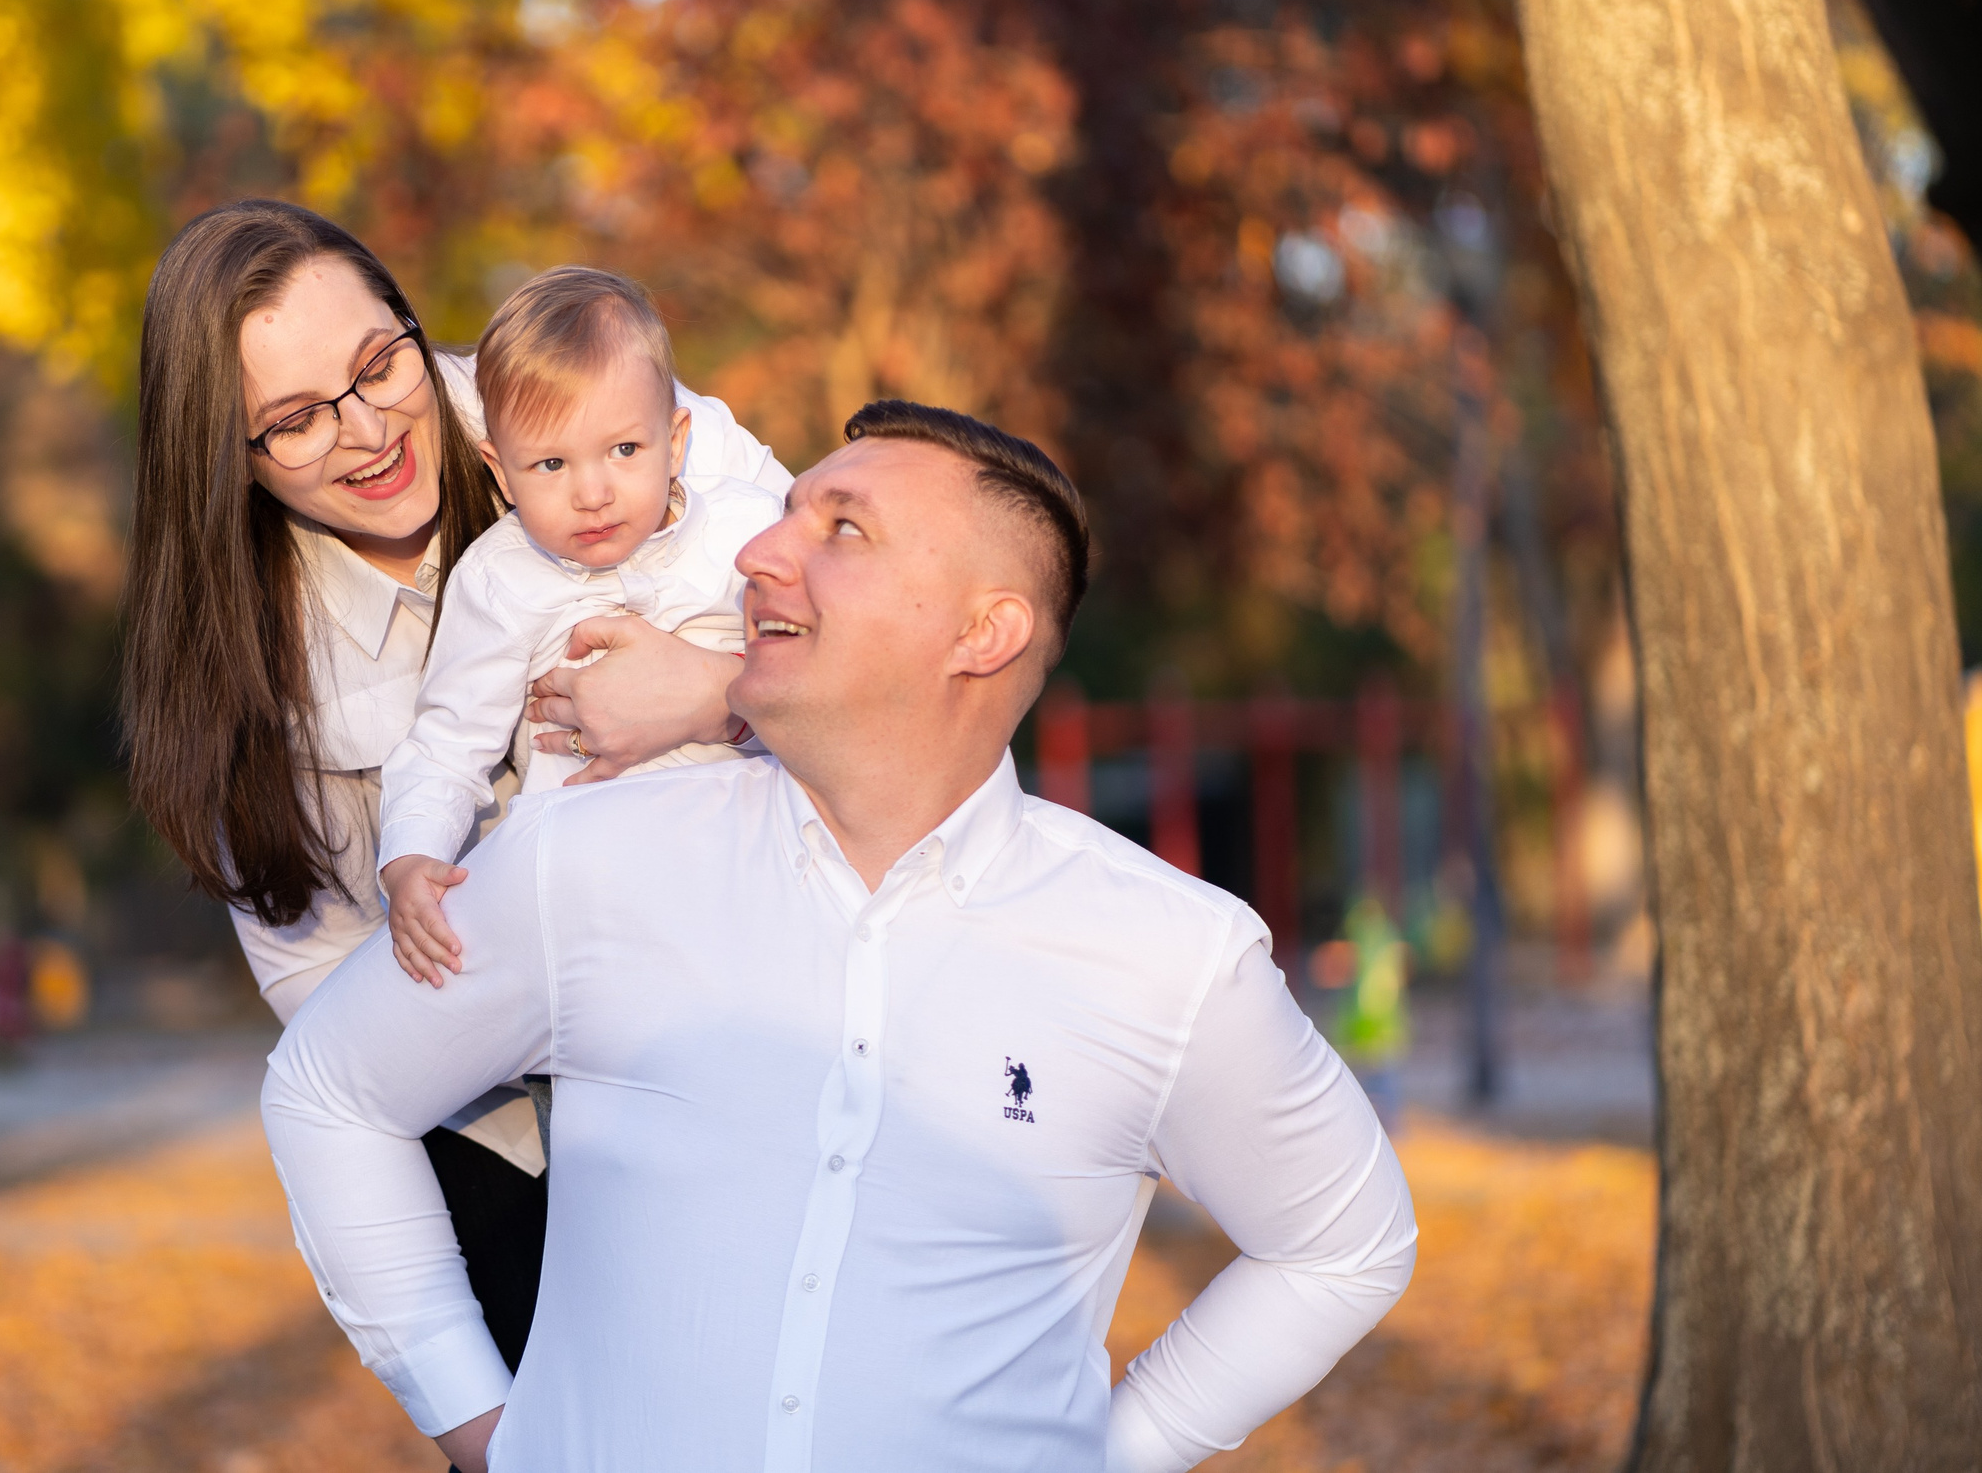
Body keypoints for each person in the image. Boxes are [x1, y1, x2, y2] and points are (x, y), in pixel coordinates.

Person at [262, 401, 1418, 1473]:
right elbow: (330, 1091)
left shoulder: (1171, 956)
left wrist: (1117, 1449)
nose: (757, 556)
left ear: (983, 632)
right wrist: (481, 1428)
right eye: (779, 516)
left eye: (842, 528)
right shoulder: (587, 861)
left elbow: (1343, 1242)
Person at [118, 200, 789, 1378]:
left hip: (756, 1036)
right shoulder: (242, 674)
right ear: (224, 456)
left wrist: (715, 694)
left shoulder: (606, 404)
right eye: (291, 422)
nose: (369, 429)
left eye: (381, 364)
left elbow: (875, 658)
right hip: (501, 1131)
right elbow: (332, 1033)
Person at [378, 266, 781, 985]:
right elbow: (447, 740)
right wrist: (410, 856)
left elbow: (837, 668)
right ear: (501, 474)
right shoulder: (499, 580)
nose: (593, 493)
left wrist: (730, 695)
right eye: (552, 463)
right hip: (581, 905)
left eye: (625, 450)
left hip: (752, 872)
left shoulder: (746, 533)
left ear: (676, 439)